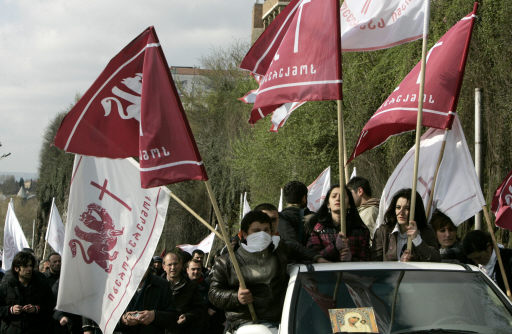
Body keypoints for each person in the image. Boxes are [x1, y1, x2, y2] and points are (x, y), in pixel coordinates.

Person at [209, 210, 289, 333]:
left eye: (266, 230)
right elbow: (213, 294)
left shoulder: (279, 254)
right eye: (256, 231)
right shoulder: (227, 262)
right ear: (245, 234)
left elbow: (302, 251)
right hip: (243, 323)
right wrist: (237, 297)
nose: (262, 234)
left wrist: (318, 258)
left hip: (277, 322)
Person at [371, 188, 441, 262]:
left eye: (407, 208)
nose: (401, 212)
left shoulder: (426, 231)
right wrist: (400, 264)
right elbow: (375, 264)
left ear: (416, 210)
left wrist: (417, 240)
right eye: (398, 207)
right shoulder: (383, 232)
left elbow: (436, 259)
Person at [306, 185, 369, 262]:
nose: (338, 199)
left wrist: (351, 259)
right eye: (334, 196)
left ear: (349, 204)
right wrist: (334, 247)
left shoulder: (360, 230)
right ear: (328, 204)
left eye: (342, 196)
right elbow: (312, 256)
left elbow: (366, 260)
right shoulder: (318, 229)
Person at [116, 260, 179, 334]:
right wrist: (123, 320)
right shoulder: (117, 286)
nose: (139, 268)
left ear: (149, 265)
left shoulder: (162, 285)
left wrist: (155, 316)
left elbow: (173, 317)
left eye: (142, 263)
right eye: (135, 264)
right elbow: (105, 321)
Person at [0, 251, 55, 333]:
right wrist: (10, 309)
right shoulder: (6, 285)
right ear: (16, 268)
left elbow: (50, 305)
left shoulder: (41, 283)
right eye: (25, 266)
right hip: (12, 329)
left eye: (31, 266)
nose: (29, 269)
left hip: (36, 329)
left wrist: (36, 309)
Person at [278, 181, 327, 263]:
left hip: (293, 269)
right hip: (319, 265)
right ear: (304, 198)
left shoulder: (281, 218)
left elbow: (291, 243)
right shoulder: (317, 217)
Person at [163, 251, 206, 334]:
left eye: (175, 264)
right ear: (164, 266)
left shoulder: (191, 286)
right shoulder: (157, 285)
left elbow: (199, 309)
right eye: (169, 264)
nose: (173, 267)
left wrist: (187, 316)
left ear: (181, 265)